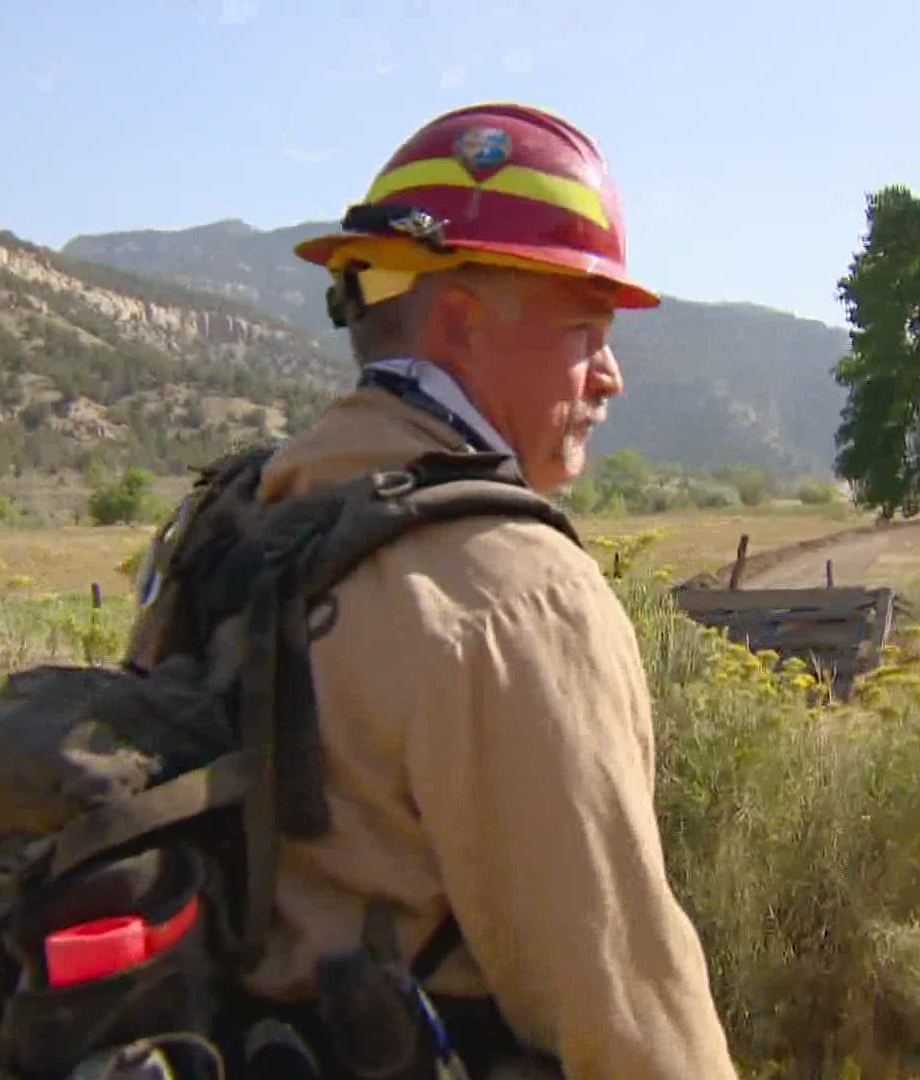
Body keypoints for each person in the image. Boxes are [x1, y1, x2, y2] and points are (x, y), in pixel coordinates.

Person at [242, 101, 739, 1078]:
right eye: (587, 329)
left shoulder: (235, 524)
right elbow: (627, 1018)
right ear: (462, 319)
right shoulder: (516, 590)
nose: (611, 378)